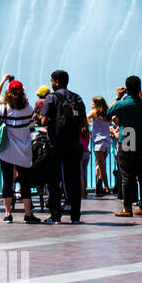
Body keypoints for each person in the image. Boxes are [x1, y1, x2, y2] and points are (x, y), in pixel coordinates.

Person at [39, 70, 86, 224]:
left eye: (52, 81)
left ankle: (55, 216)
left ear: (57, 81)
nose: (51, 83)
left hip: (56, 144)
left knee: (54, 181)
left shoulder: (51, 97)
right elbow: (83, 122)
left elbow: (43, 120)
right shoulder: (77, 97)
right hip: (74, 144)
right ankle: (75, 216)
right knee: (73, 180)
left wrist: (44, 118)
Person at [0, 81, 40, 224]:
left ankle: (8, 214)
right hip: (25, 151)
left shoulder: (2, 109)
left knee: (8, 181)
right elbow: (32, 125)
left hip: (7, 151)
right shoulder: (29, 109)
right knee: (25, 183)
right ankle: (28, 214)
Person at [109, 77, 142, 217]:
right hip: (141, 142)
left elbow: (109, 113)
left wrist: (117, 97)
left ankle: (127, 208)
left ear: (126, 89)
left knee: (127, 176)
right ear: (140, 88)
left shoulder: (122, 104)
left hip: (127, 140)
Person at [88, 97, 112, 197]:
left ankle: (106, 187)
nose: (91, 105)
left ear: (97, 104)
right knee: (99, 164)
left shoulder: (94, 113)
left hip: (98, 142)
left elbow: (85, 119)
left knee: (101, 166)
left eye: (92, 103)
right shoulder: (107, 113)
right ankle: (99, 184)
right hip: (107, 141)